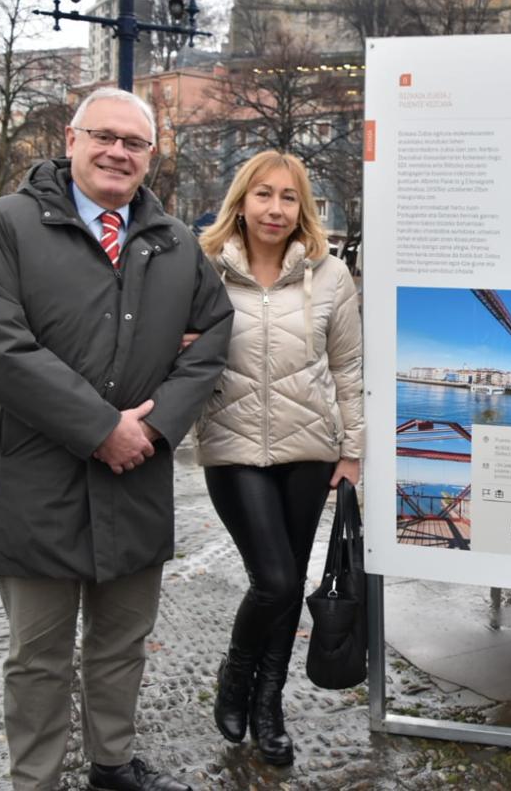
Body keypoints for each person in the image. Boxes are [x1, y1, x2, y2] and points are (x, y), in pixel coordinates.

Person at [0, 87, 233, 791]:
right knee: (38, 655)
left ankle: (111, 764)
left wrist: (156, 424)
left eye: (134, 143)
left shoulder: (175, 243)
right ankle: (37, 779)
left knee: (121, 643)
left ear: (150, 157)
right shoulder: (4, 223)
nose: (117, 152)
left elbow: (213, 337)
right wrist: (102, 428)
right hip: (37, 481)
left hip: (135, 477)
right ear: (71, 139)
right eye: (104, 136)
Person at [195, 150, 363, 766]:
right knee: (276, 579)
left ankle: (270, 708)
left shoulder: (330, 276)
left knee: (288, 585)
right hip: (233, 447)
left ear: (304, 208)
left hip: (310, 449)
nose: (275, 208)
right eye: (263, 194)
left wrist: (353, 452)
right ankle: (236, 676)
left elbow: (347, 366)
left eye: (289, 197)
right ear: (240, 201)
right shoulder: (204, 269)